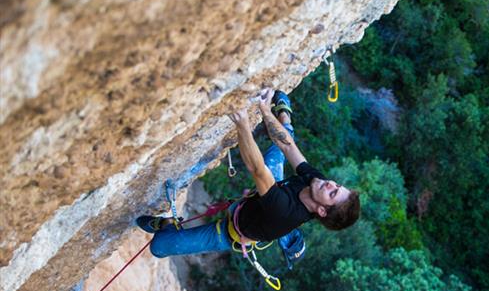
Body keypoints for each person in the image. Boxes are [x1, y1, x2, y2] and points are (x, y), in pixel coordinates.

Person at [136, 88, 361, 262]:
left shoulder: (286, 212)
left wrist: (242, 122)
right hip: (267, 194)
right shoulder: (317, 183)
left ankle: (166, 225)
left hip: (231, 232)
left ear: (322, 210)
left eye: (333, 193)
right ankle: (285, 110)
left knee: (159, 247)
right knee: (282, 146)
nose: (331, 183)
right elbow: (289, 148)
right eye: (337, 185)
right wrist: (265, 109)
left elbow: (257, 170)